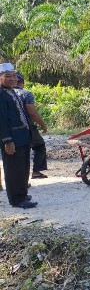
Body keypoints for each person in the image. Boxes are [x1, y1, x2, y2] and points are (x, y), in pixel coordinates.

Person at [0, 63, 37, 209]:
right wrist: (7, 141)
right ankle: (16, 199)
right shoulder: (1, 94)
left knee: (23, 166)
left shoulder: (12, 91)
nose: (12, 79)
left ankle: (22, 193)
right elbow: (1, 120)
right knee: (13, 169)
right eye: (7, 76)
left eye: (14, 76)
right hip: (13, 137)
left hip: (23, 135)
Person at [15, 72, 49, 180]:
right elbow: (32, 113)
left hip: (9, 129)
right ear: (23, 82)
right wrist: (43, 125)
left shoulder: (5, 94)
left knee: (16, 153)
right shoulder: (25, 94)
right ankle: (35, 172)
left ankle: (16, 180)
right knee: (39, 146)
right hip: (26, 128)